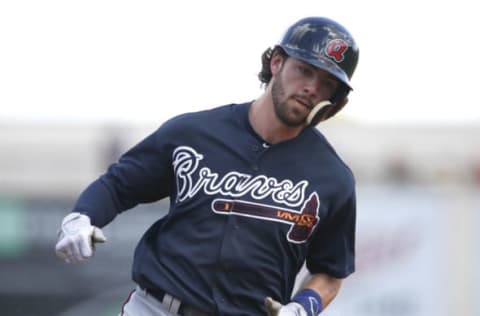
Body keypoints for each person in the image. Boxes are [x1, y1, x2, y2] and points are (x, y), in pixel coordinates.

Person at [55, 16, 359, 316]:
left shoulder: (333, 177)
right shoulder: (194, 133)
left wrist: (303, 308)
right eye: (304, 70)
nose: (311, 88)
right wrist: (82, 216)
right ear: (277, 62)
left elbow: (330, 272)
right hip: (157, 308)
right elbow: (119, 185)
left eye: (327, 83)